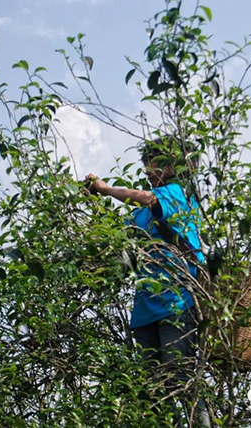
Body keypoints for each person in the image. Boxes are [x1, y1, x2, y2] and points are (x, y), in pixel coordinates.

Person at [85, 137, 211, 427]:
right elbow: (119, 241)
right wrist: (96, 207)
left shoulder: (179, 194)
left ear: (172, 166)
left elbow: (147, 198)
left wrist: (105, 189)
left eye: (153, 163)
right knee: (154, 393)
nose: (147, 170)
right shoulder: (141, 214)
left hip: (177, 302)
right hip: (144, 312)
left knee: (182, 380)